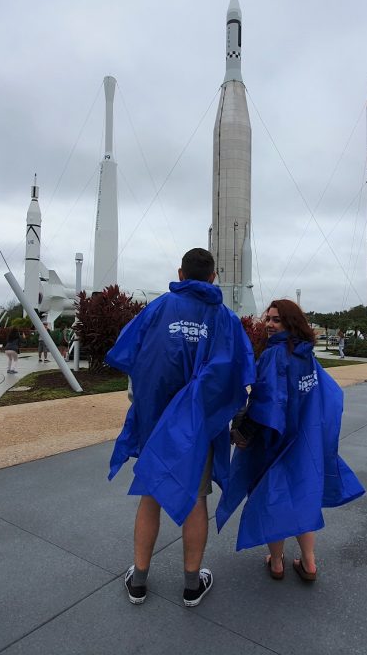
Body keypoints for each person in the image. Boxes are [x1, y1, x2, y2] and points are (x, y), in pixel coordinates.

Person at [106, 248, 255, 608]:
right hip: (199, 428)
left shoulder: (156, 309)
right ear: (214, 277)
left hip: (156, 425)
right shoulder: (226, 319)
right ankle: (192, 584)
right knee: (196, 500)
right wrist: (231, 421)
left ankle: (139, 580)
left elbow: (133, 360)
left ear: (180, 272)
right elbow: (237, 377)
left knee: (151, 496)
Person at [216, 299, 365, 583]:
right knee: (301, 495)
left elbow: (265, 401)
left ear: (290, 323)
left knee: (272, 494)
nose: (270, 325)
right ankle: (308, 563)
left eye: (276, 320)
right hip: (304, 440)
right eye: (268, 319)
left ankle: (276, 563)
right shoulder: (305, 354)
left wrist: (243, 432)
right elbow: (326, 394)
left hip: (275, 440)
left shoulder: (274, 355)